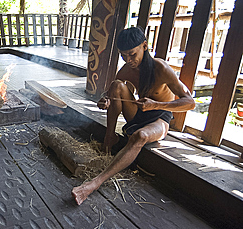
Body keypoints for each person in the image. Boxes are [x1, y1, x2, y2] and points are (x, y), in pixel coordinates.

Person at [72, 27, 195, 205]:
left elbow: (190, 102)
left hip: (160, 119)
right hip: (139, 113)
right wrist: (104, 101)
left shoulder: (161, 68)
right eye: (124, 56)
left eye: (132, 54)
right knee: (116, 85)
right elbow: (110, 94)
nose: (128, 60)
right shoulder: (127, 70)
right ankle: (109, 137)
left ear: (144, 46)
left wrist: (156, 104)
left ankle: (94, 184)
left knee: (140, 136)